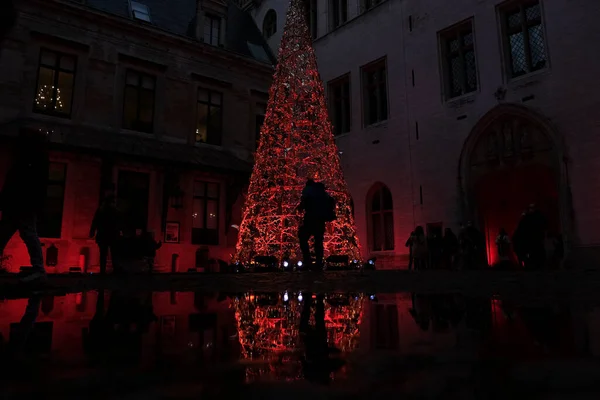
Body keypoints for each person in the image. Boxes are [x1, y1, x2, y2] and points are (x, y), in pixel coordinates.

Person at [0, 130, 49, 283]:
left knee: (24, 233)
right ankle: (38, 269)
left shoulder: (29, 161)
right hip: (20, 204)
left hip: (21, 204)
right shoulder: (33, 161)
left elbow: (19, 183)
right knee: (20, 233)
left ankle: (39, 269)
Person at [297, 179, 334, 271]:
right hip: (320, 220)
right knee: (318, 241)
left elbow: (303, 204)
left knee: (303, 238)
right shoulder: (323, 193)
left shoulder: (308, 191)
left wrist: (301, 207)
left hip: (310, 219)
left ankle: (308, 261)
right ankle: (318, 262)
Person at [90, 195, 122, 274]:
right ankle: (115, 270)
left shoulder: (101, 210)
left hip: (103, 235)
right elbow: (119, 223)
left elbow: (95, 222)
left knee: (103, 254)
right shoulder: (115, 211)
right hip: (112, 235)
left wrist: (92, 231)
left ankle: (103, 271)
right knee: (114, 254)